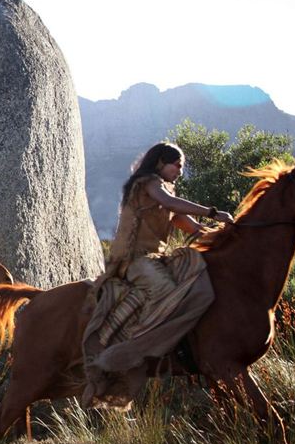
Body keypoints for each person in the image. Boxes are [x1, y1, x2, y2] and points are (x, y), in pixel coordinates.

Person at [82, 142, 234, 408]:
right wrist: (213, 211)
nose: (180, 172)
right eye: (178, 165)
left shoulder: (165, 191)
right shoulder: (148, 183)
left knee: (191, 282)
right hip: (135, 259)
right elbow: (169, 202)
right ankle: (130, 344)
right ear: (161, 162)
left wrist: (224, 232)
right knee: (167, 291)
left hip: (155, 258)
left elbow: (191, 226)